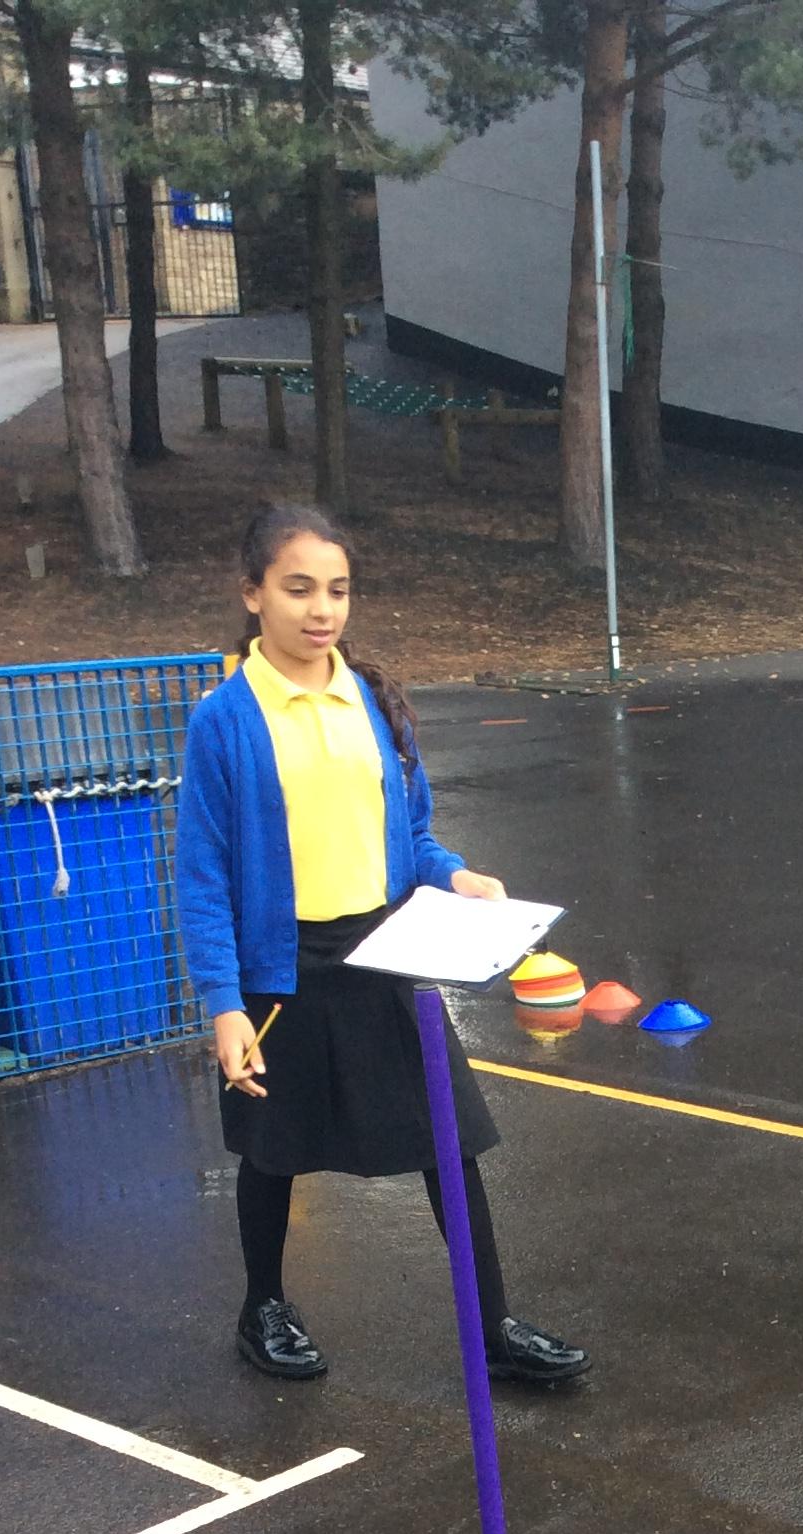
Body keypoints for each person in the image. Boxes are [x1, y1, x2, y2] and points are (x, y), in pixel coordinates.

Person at [176, 502, 588, 1386]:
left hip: (385, 952)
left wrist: (456, 876)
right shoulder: (226, 719)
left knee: (450, 1140)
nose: (321, 609)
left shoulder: (370, 700)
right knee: (272, 1148)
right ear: (252, 594)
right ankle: (262, 1309)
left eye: (337, 589)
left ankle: (492, 1325)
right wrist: (223, 1005)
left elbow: (415, 837)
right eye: (298, 589)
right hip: (282, 969)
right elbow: (204, 877)